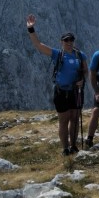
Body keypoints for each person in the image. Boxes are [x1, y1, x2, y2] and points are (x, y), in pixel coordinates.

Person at [26, 14, 88, 155]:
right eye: (66, 40)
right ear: (61, 42)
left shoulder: (80, 55)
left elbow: (85, 71)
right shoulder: (57, 54)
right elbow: (38, 45)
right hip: (61, 92)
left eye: (71, 40)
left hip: (76, 91)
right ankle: (65, 148)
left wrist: (83, 80)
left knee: (75, 119)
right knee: (64, 120)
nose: (69, 42)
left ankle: (73, 146)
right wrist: (31, 29)